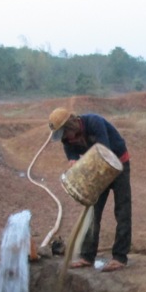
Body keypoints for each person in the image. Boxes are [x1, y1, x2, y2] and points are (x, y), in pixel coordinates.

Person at [48, 107, 131, 272]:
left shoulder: (94, 122)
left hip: (118, 163)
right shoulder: (67, 140)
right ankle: (87, 256)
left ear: (71, 125)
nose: (64, 139)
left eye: (64, 134)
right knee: (92, 212)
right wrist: (72, 162)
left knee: (122, 210)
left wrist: (84, 168)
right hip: (97, 168)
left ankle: (119, 257)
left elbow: (104, 152)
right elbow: (72, 156)